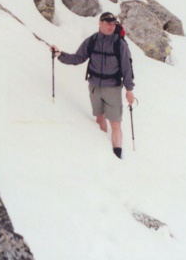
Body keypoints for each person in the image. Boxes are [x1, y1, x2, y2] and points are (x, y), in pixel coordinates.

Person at [51, 12, 135, 159]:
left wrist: (129, 90)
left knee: (115, 123)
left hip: (113, 88)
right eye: (108, 23)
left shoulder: (119, 44)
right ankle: (101, 147)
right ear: (100, 23)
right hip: (94, 86)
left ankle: (117, 155)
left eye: (113, 23)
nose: (111, 26)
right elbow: (78, 58)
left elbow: (127, 67)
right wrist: (59, 55)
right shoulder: (92, 41)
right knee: (99, 117)